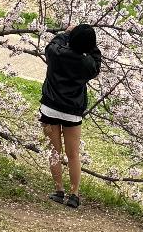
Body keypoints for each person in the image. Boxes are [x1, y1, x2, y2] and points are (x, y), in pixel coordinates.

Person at [39, 23, 101, 209]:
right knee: (73, 154)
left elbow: (50, 45)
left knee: (54, 152)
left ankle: (59, 190)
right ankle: (74, 195)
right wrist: (91, 44)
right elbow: (97, 61)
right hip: (72, 112)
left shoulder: (56, 54)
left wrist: (66, 33)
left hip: (50, 107)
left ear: (71, 39)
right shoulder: (87, 64)